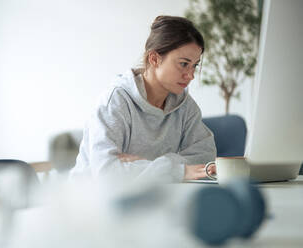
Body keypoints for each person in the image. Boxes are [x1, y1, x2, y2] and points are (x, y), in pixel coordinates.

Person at [70, 16, 216, 183]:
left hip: (146, 198)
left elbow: (205, 158)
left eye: (195, 65)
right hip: (91, 201)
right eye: (184, 64)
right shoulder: (116, 101)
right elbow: (107, 173)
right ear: (153, 59)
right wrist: (175, 170)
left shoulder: (185, 106)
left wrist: (146, 166)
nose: (190, 75)